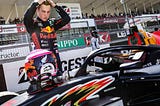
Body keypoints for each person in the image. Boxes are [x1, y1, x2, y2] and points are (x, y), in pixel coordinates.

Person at [24, 0, 71, 75]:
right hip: (40, 62)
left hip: (56, 60)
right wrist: (36, 3)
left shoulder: (52, 23)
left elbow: (67, 18)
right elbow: (27, 18)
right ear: (37, 10)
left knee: (60, 82)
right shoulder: (32, 25)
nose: (46, 14)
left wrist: (55, 6)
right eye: (43, 11)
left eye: (48, 12)